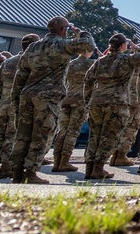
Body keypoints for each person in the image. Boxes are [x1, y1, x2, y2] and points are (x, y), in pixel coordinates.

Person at [9, 17, 96, 184]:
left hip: (27, 95)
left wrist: (16, 99)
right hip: (48, 96)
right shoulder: (63, 45)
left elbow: (21, 75)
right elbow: (89, 45)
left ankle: (17, 172)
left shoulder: (33, 47)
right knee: (41, 135)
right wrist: (79, 32)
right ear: (63, 30)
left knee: (23, 135)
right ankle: (31, 172)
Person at [83, 34, 140, 179]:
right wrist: (136, 47)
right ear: (123, 46)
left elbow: (88, 80)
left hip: (97, 101)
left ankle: (90, 169)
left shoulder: (100, 61)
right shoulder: (127, 60)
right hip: (116, 102)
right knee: (109, 136)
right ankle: (98, 168)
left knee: (94, 136)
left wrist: (88, 98)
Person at [0, 34, 39, 179]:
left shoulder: (7, 62)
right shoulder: (31, 61)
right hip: (18, 104)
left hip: (2, 104)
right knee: (12, 136)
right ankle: (6, 167)